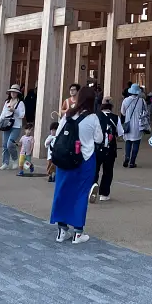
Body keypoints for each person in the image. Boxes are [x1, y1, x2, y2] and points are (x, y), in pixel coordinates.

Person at [50, 86, 103, 243]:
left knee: (62, 191)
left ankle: (61, 230)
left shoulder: (68, 115)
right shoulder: (93, 118)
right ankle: (78, 232)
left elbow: (58, 134)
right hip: (85, 160)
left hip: (65, 159)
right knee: (80, 194)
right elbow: (99, 139)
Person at [94, 97, 124, 201]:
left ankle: (92, 187)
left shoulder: (95, 116)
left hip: (96, 148)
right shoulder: (116, 118)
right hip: (110, 149)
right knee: (108, 171)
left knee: (95, 170)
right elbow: (120, 133)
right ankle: (104, 194)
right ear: (111, 106)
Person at [0, 84, 25, 170]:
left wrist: (14, 111)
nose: (13, 93)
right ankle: (5, 163)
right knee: (5, 144)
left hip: (16, 126)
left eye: (15, 92)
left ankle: (15, 159)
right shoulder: (7, 102)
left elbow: (22, 115)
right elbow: (3, 114)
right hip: (6, 125)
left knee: (10, 144)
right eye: (12, 92)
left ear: (18, 94)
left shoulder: (20, 103)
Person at [120, 83, 147, 168]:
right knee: (136, 143)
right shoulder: (142, 101)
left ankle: (127, 157)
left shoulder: (125, 100)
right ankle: (132, 162)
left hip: (128, 124)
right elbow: (145, 112)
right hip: (138, 125)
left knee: (128, 142)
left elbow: (122, 112)